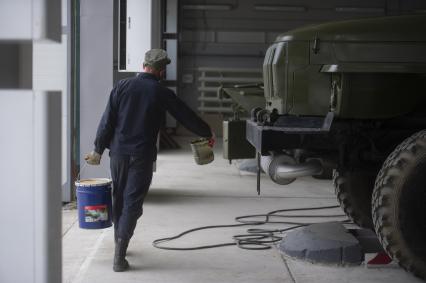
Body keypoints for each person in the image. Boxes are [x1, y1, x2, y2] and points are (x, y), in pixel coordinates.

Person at [84, 49, 214, 272]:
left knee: (119, 197)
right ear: (161, 70)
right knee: (132, 203)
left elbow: (107, 121)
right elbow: (185, 115)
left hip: (118, 154)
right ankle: (119, 255)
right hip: (141, 156)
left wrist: (97, 150)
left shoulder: (121, 87)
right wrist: (207, 131)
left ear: (143, 65)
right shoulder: (160, 92)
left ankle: (119, 243)